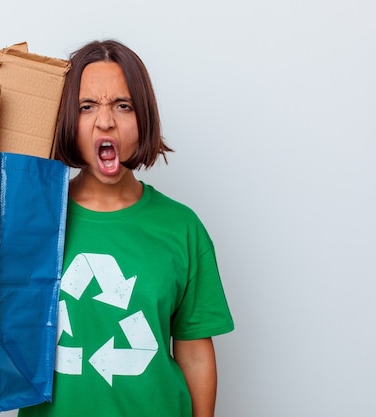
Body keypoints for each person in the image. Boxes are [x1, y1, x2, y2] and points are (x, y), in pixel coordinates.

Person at [19, 39, 234, 417]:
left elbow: (195, 352)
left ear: (144, 118)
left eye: (123, 105)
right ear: (68, 120)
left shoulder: (182, 228)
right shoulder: (34, 220)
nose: (106, 120)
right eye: (87, 107)